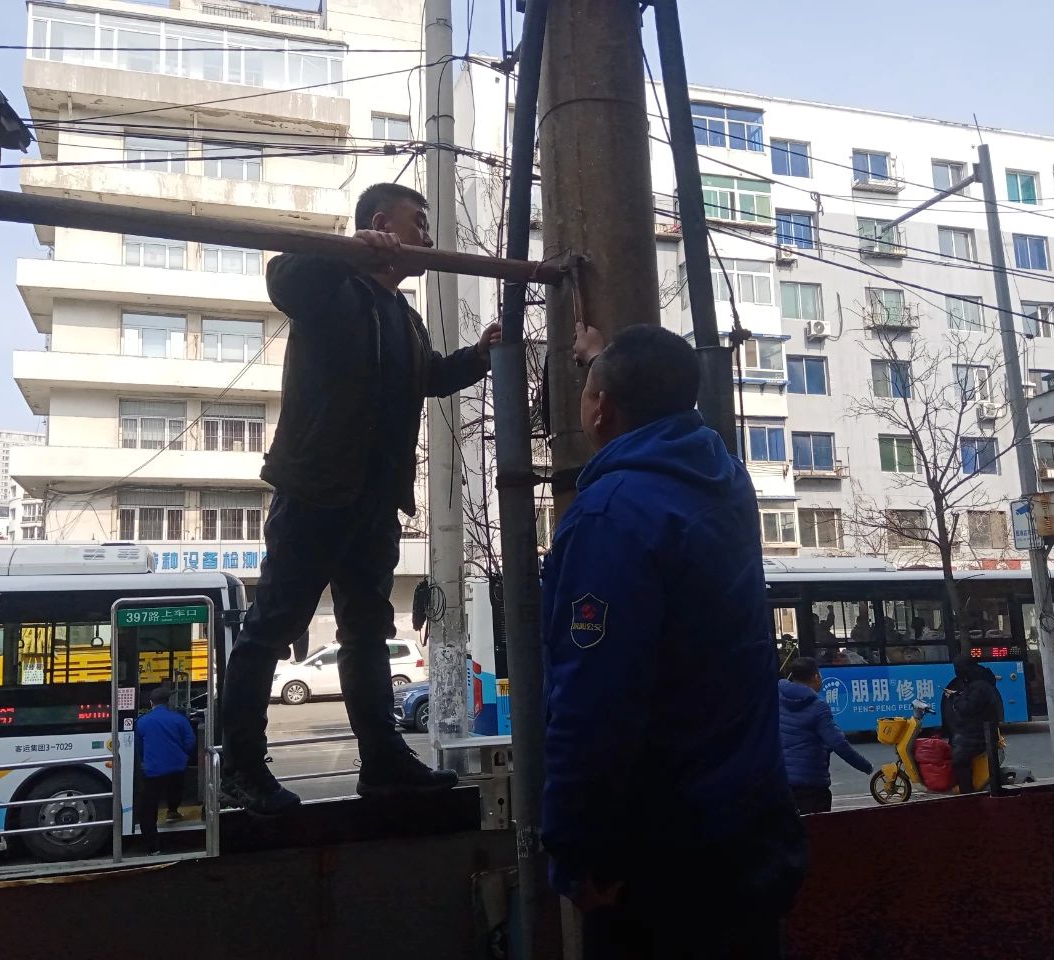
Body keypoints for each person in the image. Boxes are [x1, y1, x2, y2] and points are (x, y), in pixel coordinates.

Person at [219, 183, 502, 815]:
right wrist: (348, 250)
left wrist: (480, 356)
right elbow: (283, 277)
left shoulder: (403, 316)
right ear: (381, 224)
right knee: (274, 626)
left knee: (368, 633)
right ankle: (240, 767)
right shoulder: (330, 288)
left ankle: (383, 763)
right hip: (315, 489)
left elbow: (429, 376)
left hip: (375, 499)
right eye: (417, 222)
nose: (427, 237)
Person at [541, 321, 807, 960]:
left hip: (661, 864)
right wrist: (606, 359)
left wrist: (576, 849)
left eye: (589, 389)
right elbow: (658, 393)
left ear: (601, 409)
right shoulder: (726, 481)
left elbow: (593, 703)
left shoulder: (609, 516)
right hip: (750, 837)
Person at [778, 658, 874, 814]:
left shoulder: (777, 697)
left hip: (781, 780)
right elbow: (838, 743)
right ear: (816, 676)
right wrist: (866, 766)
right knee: (817, 826)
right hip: (810, 783)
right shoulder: (818, 707)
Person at [135, 687, 196, 854]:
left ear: (151, 703)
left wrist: (145, 760)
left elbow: (138, 746)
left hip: (153, 769)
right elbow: (190, 741)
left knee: (148, 808)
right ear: (168, 702)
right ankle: (173, 811)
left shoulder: (142, 721)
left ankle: (153, 847)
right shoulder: (179, 719)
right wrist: (183, 755)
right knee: (175, 789)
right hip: (177, 766)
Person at [944, 655, 1003, 794]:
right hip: (978, 731)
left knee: (959, 760)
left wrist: (954, 698)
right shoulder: (979, 682)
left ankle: (967, 794)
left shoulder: (979, 686)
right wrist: (958, 694)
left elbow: (967, 708)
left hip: (978, 734)